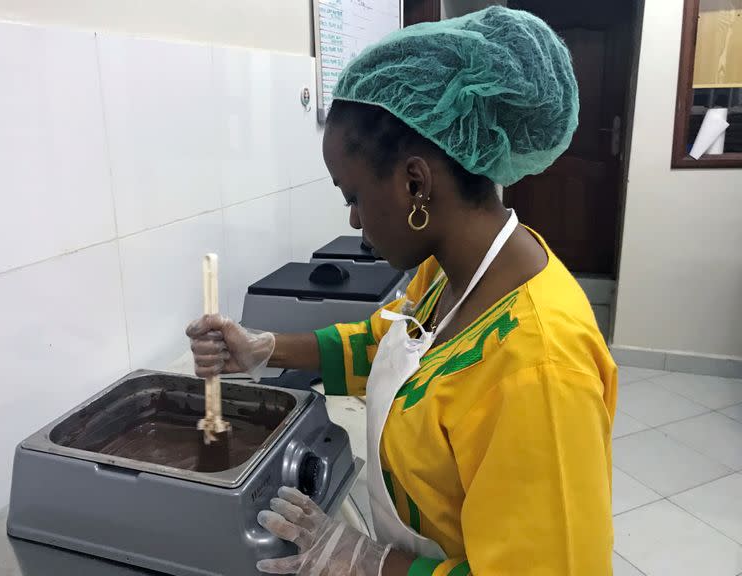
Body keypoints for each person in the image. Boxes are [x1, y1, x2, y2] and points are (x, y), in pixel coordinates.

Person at [187, 6, 616, 576]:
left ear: (415, 182)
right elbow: (386, 346)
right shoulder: (450, 273)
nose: (355, 221)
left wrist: (369, 563)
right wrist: (264, 348)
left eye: (353, 196)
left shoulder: (538, 365)